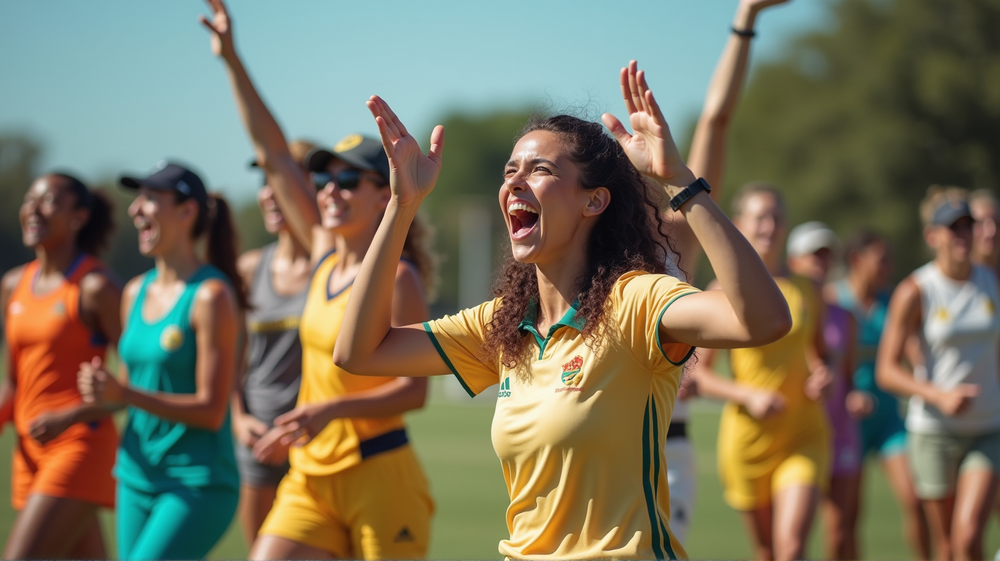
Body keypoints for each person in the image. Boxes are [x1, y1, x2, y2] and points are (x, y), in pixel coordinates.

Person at [332, 61, 791, 560]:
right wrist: (402, 205)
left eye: (541, 170)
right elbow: (359, 352)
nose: (516, 183)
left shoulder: (634, 301)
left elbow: (763, 320)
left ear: (594, 202)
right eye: (511, 172)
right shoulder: (503, 325)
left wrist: (680, 180)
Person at [200, 1, 435, 557]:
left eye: (349, 180)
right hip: (310, 474)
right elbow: (277, 156)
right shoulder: (326, 253)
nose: (330, 189)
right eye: (326, 177)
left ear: (387, 195)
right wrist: (232, 60)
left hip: (379, 473)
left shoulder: (399, 279)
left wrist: (329, 410)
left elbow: (415, 391)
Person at [77, 161, 245, 560]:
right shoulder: (134, 291)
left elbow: (211, 411)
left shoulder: (211, 296)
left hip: (196, 484)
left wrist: (126, 393)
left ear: (187, 212)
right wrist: (99, 393)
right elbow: (124, 394)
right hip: (134, 475)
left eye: (151, 198)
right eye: (138, 198)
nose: (136, 209)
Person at [666, 0, 790, 541]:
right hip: (585, 447)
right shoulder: (573, 257)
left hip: (662, 445)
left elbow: (716, 120)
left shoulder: (670, 244)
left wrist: (745, 21)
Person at [690, 183, 832, 561]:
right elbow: (699, 377)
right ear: (738, 225)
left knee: (791, 547)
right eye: (759, 218)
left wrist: (823, 374)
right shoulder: (720, 289)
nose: (769, 226)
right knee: (767, 551)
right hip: (748, 442)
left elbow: (820, 352)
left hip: (804, 433)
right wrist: (747, 395)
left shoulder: (808, 288)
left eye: (776, 217)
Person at [0, 173, 120, 559]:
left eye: (49, 200)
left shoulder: (96, 287)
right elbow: (13, 383)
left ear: (78, 218)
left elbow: (138, 383)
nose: (33, 209)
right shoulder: (13, 284)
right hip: (29, 451)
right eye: (29, 200)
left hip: (79, 447)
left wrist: (71, 415)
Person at [877, 187, 1000, 561]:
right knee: (946, 546)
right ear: (932, 236)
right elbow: (887, 370)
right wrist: (939, 395)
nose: (963, 234)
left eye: (968, 225)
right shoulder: (916, 290)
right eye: (953, 227)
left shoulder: (992, 279)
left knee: (968, 534)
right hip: (933, 431)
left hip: (988, 428)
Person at [232, 140, 315, 545]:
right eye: (263, 182)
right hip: (256, 445)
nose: (268, 193)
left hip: (316, 441)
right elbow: (233, 360)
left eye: (279, 181)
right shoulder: (249, 267)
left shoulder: (335, 268)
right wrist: (237, 416)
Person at [833, 228, 931, 559]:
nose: (889, 266)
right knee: (845, 520)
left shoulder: (894, 302)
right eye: (882, 259)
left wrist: (928, 380)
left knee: (917, 500)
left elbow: (915, 352)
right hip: (846, 424)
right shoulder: (834, 301)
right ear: (857, 260)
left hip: (890, 420)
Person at [786, 221, 867, 560]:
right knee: (786, 543)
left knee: (841, 530)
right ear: (794, 262)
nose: (821, 262)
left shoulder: (844, 316)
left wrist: (852, 393)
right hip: (793, 431)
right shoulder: (783, 309)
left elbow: (847, 376)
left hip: (839, 431)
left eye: (826, 255)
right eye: (813, 255)